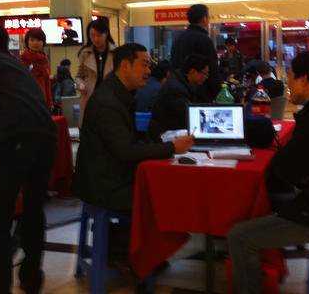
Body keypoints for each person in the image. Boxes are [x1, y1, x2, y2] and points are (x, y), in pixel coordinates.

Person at [73, 43, 194, 263]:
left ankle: (139, 253)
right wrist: (172, 148)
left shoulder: (120, 93)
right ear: (125, 66)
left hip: (111, 175)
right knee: (163, 196)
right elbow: (126, 151)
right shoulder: (108, 101)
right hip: (102, 185)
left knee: (164, 188)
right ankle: (136, 256)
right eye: (144, 65)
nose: (149, 70)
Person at [227, 51, 309, 294]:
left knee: (240, 236)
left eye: (291, 78)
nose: (288, 85)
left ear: (304, 80)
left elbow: (287, 171)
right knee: (274, 198)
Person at [0, 24, 57, 294]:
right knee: (33, 212)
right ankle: (31, 278)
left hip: (14, 141)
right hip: (46, 138)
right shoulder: (16, 63)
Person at [147, 54, 210, 142]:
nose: (206, 77)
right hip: (163, 135)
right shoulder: (176, 89)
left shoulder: (183, 81)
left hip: (171, 129)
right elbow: (188, 117)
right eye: (205, 73)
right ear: (193, 71)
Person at [170, 4, 220, 102]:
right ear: (204, 19)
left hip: (180, 93)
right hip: (201, 95)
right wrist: (219, 93)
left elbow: (173, 66)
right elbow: (212, 70)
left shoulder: (178, 40)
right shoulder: (205, 40)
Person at [76, 18, 117, 127]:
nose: (95, 39)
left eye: (98, 35)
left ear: (106, 34)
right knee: (90, 129)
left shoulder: (116, 53)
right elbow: (79, 76)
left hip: (110, 99)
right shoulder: (85, 53)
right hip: (90, 97)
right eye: (92, 36)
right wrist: (80, 84)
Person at [18, 28, 53, 109]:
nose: (35, 43)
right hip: (26, 101)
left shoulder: (44, 59)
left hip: (42, 101)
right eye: (32, 40)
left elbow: (46, 81)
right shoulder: (21, 60)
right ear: (27, 42)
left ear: (43, 42)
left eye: (39, 40)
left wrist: (50, 102)